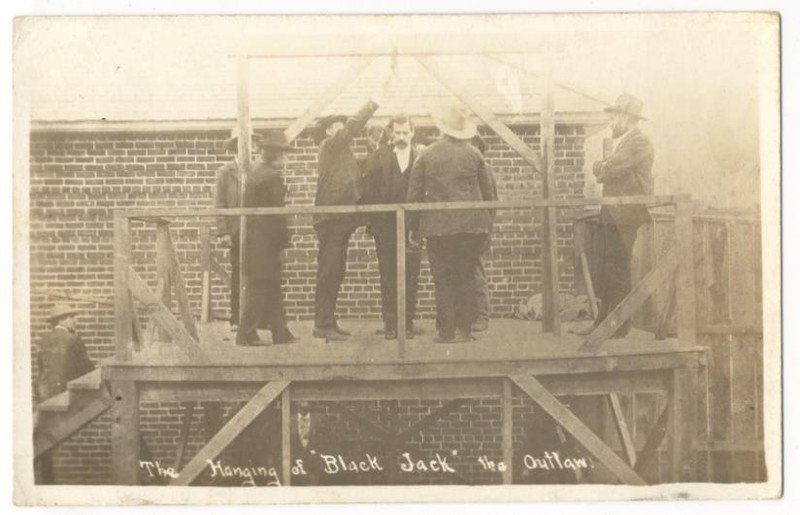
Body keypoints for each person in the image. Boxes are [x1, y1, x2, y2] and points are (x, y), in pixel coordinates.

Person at [407, 105, 496, 343]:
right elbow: (489, 196)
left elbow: (414, 195)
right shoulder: (475, 155)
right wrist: (487, 225)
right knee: (466, 277)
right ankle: (464, 331)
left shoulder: (425, 155)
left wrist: (413, 228)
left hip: (438, 229)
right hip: (471, 228)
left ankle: (446, 332)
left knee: (443, 279)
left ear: (442, 129)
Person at [581, 94, 654, 338]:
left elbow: (610, 168)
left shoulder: (640, 142)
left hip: (625, 215)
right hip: (612, 213)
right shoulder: (625, 143)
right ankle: (605, 322)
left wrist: (603, 166)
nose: (612, 122)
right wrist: (603, 166)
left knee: (618, 268)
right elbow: (601, 167)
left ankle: (618, 326)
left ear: (627, 118)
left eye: (615, 117)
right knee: (607, 267)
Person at [311, 101, 381, 342]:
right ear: (331, 130)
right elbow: (352, 128)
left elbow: (359, 171)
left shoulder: (343, 154)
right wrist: (371, 105)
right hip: (332, 219)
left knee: (335, 271)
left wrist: (374, 151)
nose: (343, 128)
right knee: (329, 271)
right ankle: (322, 324)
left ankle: (328, 322)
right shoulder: (330, 146)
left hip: (341, 220)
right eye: (339, 125)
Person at [362, 114, 422, 340]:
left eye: (405, 132)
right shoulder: (378, 157)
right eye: (397, 132)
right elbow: (368, 191)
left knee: (411, 274)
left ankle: (407, 323)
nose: (401, 137)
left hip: (412, 228)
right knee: (388, 274)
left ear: (413, 133)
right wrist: (373, 223)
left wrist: (419, 224)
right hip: (385, 227)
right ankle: (390, 323)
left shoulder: (420, 157)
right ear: (390, 133)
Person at [235, 131, 297, 346]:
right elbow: (276, 215)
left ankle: (281, 332)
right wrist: (283, 242)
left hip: (257, 238)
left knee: (271, 285)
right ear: (276, 154)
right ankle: (246, 333)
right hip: (266, 241)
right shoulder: (272, 177)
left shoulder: (256, 172)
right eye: (285, 154)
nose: (287, 159)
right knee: (260, 286)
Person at [35, 304, 95, 484]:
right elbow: (84, 367)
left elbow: (41, 368)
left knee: (43, 437)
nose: (75, 320)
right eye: (71, 317)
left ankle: (47, 479)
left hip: (44, 392)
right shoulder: (73, 339)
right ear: (61, 320)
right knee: (51, 437)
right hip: (62, 392)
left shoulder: (43, 340)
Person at [215, 127, 243, 331]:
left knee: (258, 274)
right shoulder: (226, 172)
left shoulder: (256, 170)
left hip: (256, 231)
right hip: (236, 230)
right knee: (238, 274)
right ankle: (237, 318)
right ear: (235, 149)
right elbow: (220, 203)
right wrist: (224, 232)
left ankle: (258, 318)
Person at [468, 133, 496, 332]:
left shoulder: (485, 170)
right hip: (467, 226)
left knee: (475, 269)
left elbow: (491, 201)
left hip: (478, 227)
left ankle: (481, 316)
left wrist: (485, 228)